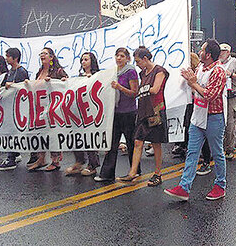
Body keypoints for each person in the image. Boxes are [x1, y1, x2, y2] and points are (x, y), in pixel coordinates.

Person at [164, 39, 227, 201]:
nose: (199, 51)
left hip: (213, 118)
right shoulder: (200, 67)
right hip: (197, 117)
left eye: (202, 49)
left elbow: (210, 96)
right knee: (192, 152)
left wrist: (193, 83)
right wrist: (188, 79)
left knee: (217, 153)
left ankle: (220, 185)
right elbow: (193, 88)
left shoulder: (219, 72)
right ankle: (184, 187)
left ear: (208, 54)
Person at [117, 46, 169, 187]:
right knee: (137, 141)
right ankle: (132, 173)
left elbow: (155, 89)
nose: (137, 64)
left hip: (156, 111)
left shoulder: (160, 71)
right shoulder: (142, 73)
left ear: (146, 59)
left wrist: (139, 89)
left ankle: (158, 173)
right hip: (143, 110)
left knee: (156, 143)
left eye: (138, 61)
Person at [94, 48, 140, 183]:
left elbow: (134, 92)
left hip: (128, 113)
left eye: (122, 56)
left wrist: (120, 87)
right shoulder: (114, 72)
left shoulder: (130, 71)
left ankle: (135, 170)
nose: (119, 58)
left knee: (131, 143)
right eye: (117, 56)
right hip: (115, 112)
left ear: (127, 59)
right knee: (112, 143)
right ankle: (107, 173)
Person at [61, 52, 102, 176]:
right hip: (79, 110)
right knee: (76, 135)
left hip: (91, 111)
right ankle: (79, 161)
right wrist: (66, 82)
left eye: (86, 59)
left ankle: (92, 164)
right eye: (82, 60)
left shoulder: (97, 75)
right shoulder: (80, 76)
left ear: (92, 61)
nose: (83, 62)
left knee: (90, 137)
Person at [27, 47, 68, 172]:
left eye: (45, 53)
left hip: (53, 108)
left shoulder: (58, 71)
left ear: (51, 57)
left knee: (52, 133)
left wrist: (57, 81)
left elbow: (66, 84)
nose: (42, 55)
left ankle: (55, 161)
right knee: (40, 132)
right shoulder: (40, 71)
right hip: (40, 107)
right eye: (41, 53)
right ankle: (41, 158)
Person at [0, 48, 29, 170]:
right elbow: (4, 84)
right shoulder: (10, 72)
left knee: (12, 132)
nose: (6, 58)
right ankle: (15, 153)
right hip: (9, 107)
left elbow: (24, 87)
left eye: (8, 56)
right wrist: (0, 86)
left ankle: (11, 158)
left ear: (15, 58)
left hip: (17, 108)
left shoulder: (21, 71)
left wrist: (12, 85)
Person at [218, 43, 236, 160]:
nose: (220, 53)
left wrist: (231, 74)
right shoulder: (216, 62)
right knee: (219, 124)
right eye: (219, 51)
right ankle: (219, 149)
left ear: (228, 52)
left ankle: (230, 149)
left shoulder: (235, 62)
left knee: (230, 124)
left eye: (223, 51)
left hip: (231, 97)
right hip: (218, 97)